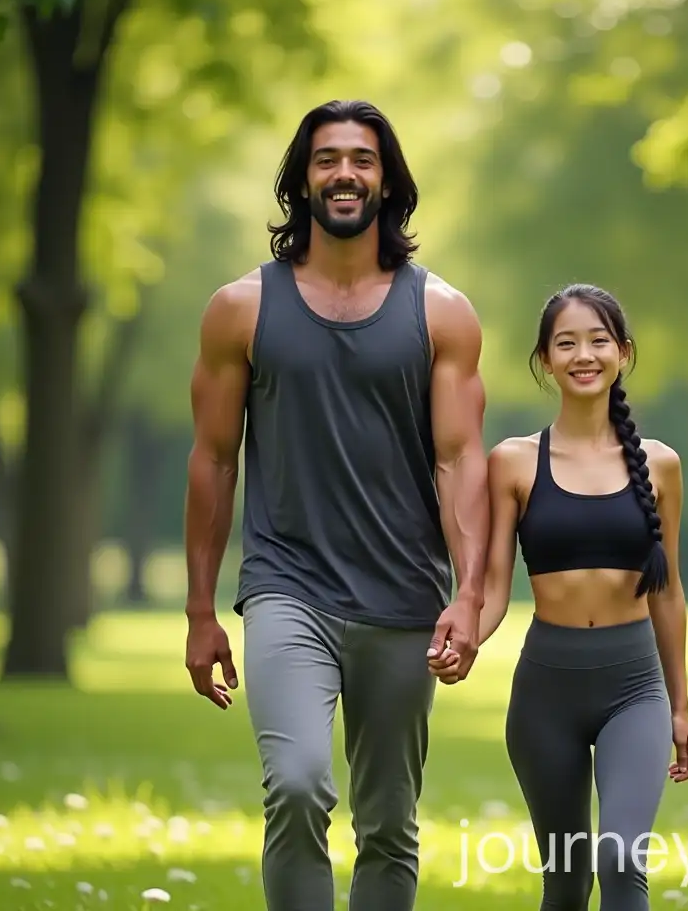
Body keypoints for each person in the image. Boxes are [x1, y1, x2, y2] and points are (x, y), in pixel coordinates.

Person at [183, 98, 490, 911]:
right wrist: (199, 610)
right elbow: (213, 462)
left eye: (362, 159)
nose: (345, 173)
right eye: (326, 159)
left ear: (387, 182)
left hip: (404, 598)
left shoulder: (442, 313)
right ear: (301, 181)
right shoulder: (241, 309)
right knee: (295, 784)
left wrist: (470, 592)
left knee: (388, 822)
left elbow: (462, 460)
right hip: (290, 588)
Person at [430, 283, 688, 910]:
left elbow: (668, 593)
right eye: (567, 343)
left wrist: (681, 707)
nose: (585, 354)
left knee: (620, 858)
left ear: (624, 354)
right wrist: (466, 637)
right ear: (544, 361)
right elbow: (494, 588)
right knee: (566, 877)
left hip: (635, 687)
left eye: (599, 340)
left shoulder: (660, 465)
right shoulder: (514, 463)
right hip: (545, 693)